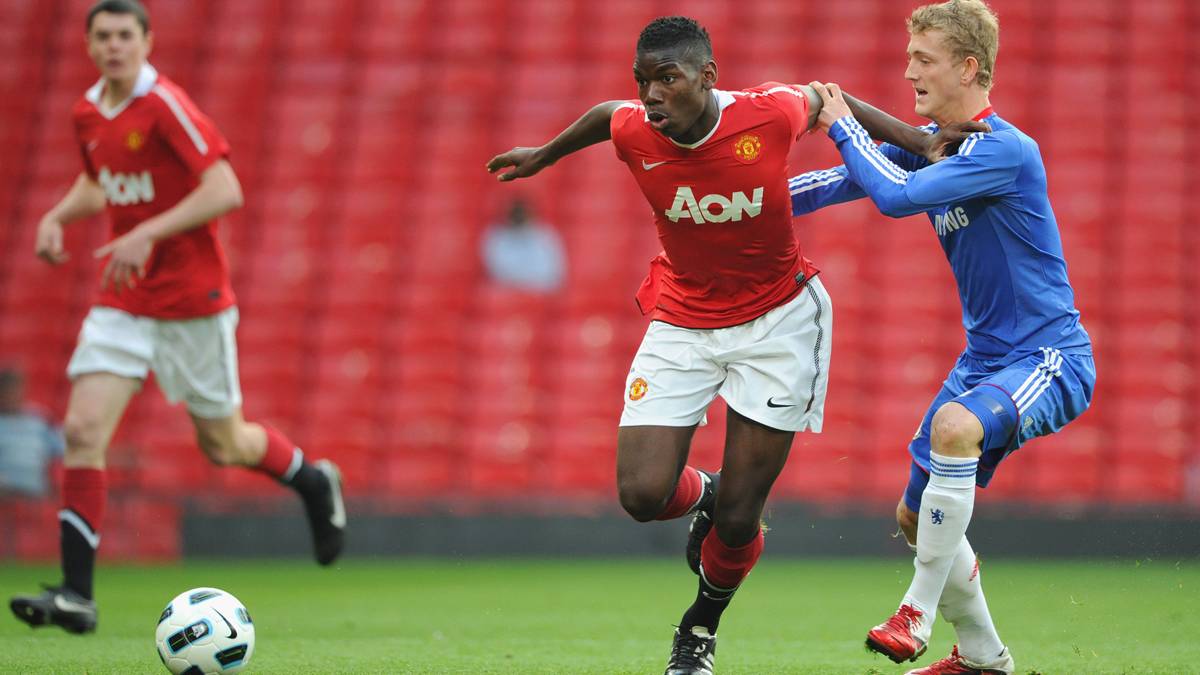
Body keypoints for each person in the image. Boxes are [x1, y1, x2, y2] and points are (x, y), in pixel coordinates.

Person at [488, 16, 976, 675]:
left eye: (667, 79)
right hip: (683, 318)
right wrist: (543, 155)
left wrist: (918, 138)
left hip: (778, 324)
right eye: (644, 82)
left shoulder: (767, 113)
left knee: (742, 521)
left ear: (707, 78)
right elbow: (606, 115)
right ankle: (708, 491)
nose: (652, 95)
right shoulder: (635, 128)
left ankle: (698, 629)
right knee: (641, 494)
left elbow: (831, 96)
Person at [10, 0, 345, 635]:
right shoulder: (88, 111)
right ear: (88, 45)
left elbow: (225, 188)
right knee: (83, 432)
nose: (114, 46)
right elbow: (101, 181)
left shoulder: (164, 104)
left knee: (225, 444)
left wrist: (147, 234)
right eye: (102, 36)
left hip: (192, 301)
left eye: (125, 35)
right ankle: (77, 596)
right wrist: (57, 216)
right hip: (125, 299)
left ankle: (311, 479)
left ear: (146, 40)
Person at [790, 2, 1095, 673]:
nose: (909, 72)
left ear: (968, 66)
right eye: (908, 59)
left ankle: (915, 612)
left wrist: (841, 123)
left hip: (1049, 356)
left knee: (954, 428)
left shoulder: (1005, 150)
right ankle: (984, 655)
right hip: (985, 358)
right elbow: (838, 183)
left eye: (923, 59)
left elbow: (896, 194)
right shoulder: (936, 142)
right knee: (912, 513)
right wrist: (744, 203)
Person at [0, 368, 66, 499]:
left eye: (17, 389)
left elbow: (63, 448)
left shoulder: (39, 419)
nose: (13, 395)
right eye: (8, 390)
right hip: (4, 496)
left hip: (35, 494)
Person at [481, 198, 566, 292]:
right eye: (515, 215)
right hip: (506, 295)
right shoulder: (496, 235)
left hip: (538, 295)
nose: (519, 218)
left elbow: (552, 274)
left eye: (522, 214)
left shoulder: (545, 235)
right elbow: (496, 271)